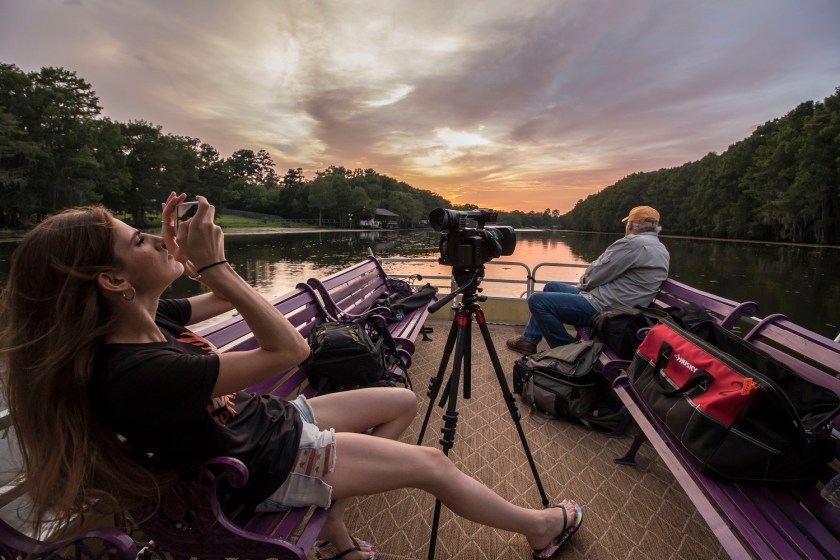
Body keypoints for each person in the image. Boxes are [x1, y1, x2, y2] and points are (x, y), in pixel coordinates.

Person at [1, 194, 582, 560]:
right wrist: (214, 267)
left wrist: (193, 262)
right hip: (263, 463)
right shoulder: (137, 369)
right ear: (112, 281)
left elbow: (226, 299)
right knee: (433, 464)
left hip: (263, 425)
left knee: (400, 401)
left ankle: (335, 512)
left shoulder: (150, 319)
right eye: (139, 240)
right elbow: (289, 349)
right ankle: (538, 527)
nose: (156, 238)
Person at [507, 206, 670, 354]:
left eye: (627, 223)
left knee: (537, 301)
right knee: (551, 287)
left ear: (631, 225)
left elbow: (598, 272)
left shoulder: (632, 244)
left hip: (606, 308)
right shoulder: (661, 249)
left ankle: (567, 350)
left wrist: (584, 284)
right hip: (623, 307)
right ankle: (528, 341)